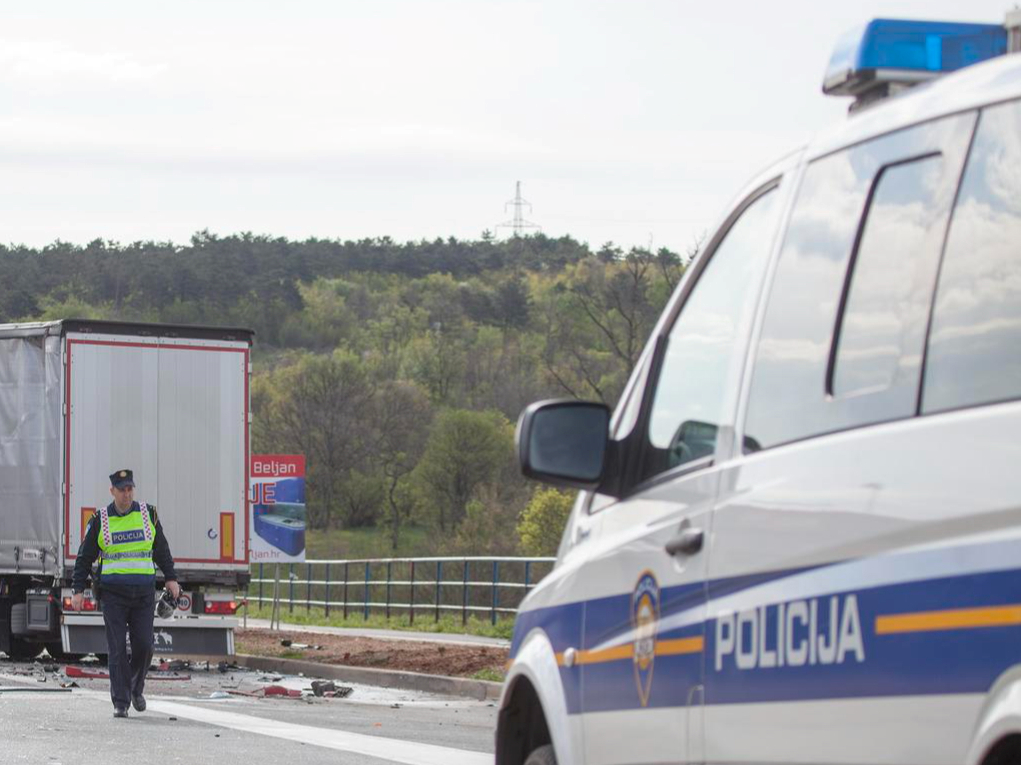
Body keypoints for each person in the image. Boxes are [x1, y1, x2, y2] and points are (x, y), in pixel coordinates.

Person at [71, 469, 181, 718]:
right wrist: (77, 590)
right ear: (112, 491)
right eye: (122, 490)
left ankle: (135, 687)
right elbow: (84, 557)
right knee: (118, 648)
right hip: (113, 596)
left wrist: (171, 578)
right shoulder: (100, 519)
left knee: (144, 645)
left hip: (143, 594)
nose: (127, 494)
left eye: (130, 489)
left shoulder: (148, 514)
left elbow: (161, 549)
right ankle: (120, 701)